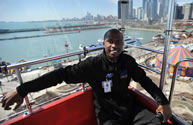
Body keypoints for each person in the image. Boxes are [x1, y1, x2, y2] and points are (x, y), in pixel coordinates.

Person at [1, 29, 171, 125]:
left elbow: (144, 80)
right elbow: (60, 75)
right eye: (110, 41)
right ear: (104, 43)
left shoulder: (128, 61)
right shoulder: (92, 65)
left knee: (157, 124)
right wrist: (22, 90)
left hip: (130, 109)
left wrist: (163, 102)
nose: (114, 45)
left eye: (118, 42)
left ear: (123, 44)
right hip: (108, 115)